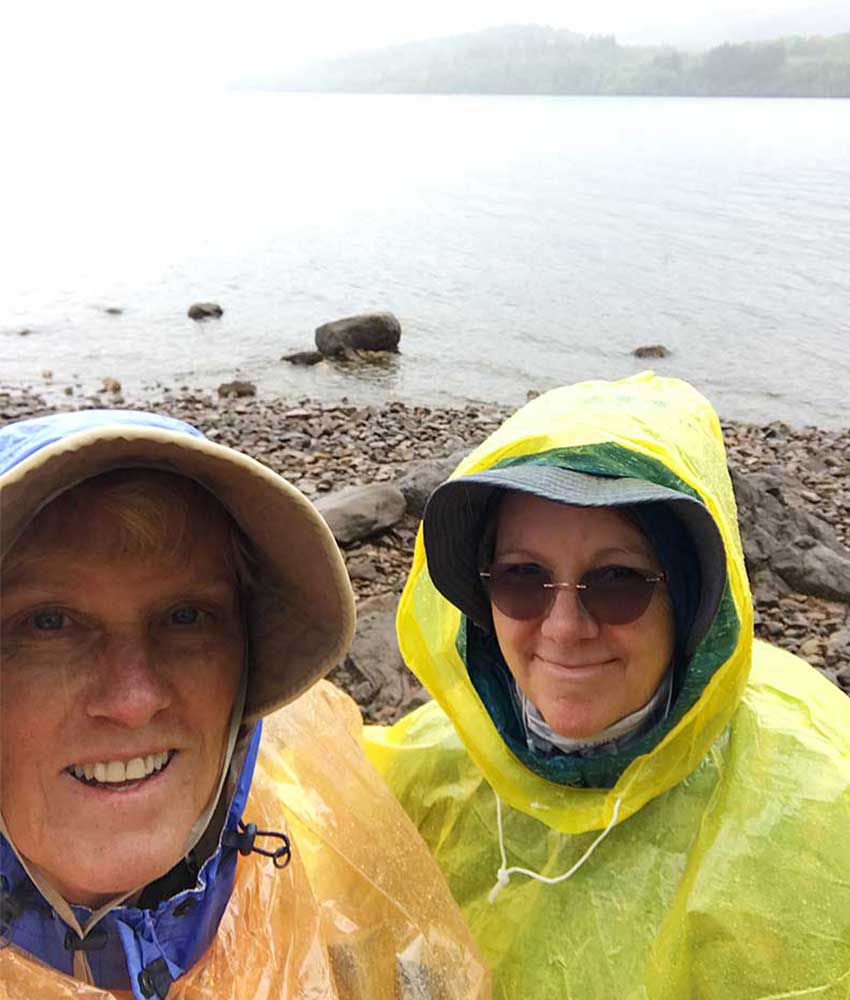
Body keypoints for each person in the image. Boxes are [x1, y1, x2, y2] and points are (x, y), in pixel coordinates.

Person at [365, 372, 850, 999]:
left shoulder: (820, 804)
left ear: (690, 601)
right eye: (522, 577)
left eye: (617, 580)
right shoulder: (424, 773)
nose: (564, 628)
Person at [0, 408, 489, 1000]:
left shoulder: (327, 848)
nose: (133, 701)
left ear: (244, 663)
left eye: (186, 617)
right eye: (49, 623)